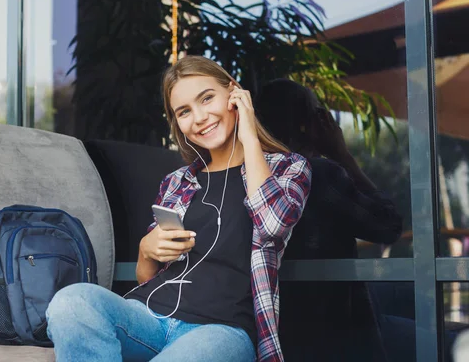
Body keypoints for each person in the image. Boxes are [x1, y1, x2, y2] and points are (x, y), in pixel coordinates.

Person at [45, 56, 312, 362]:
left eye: (207, 98)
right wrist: (147, 250)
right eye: (184, 112)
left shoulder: (288, 168)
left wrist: (249, 134)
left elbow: (272, 224)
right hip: (148, 317)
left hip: (221, 332)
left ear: (234, 94)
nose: (199, 118)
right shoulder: (178, 182)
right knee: (71, 302)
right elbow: (148, 278)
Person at [255, 78, 403, 361]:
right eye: (319, 114)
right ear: (307, 124)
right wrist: (343, 156)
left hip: (277, 334)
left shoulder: (252, 180)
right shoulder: (318, 175)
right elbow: (388, 225)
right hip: (337, 336)